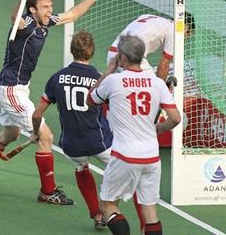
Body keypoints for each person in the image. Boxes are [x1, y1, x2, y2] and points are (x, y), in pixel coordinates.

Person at [0, 0, 107, 206]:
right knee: (46, 136)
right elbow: (15, 19)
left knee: (11, 134)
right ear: (32, 9)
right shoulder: (27, 22)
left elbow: (72, 15)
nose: (50, 11)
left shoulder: (44, 23)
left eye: (50, 6)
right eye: (45, 7)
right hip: (11, 90)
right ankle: (48, 191)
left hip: (15, 88)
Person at [32, 30, 144, 230]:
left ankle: (96, 215)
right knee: (136, 173)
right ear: (91, 51)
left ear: (72, 50)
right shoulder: (99, 78)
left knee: (81, 167)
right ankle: (143, 221)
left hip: (71, 145)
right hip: (100, 142)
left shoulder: (56, 78)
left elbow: (36, 115)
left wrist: (35, 132)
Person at [87, 34, 181, 235]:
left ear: (122, 57)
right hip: (151, 157)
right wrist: (159, 128)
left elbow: (90, 100)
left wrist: (107, 71)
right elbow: (175, 118)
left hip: (124, 155)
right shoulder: (156, 83)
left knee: (107, 205)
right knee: (150, 213)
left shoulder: (113, 81)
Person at [107, 12, 195, 81]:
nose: (185, 38)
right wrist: (162, 91)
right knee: (153, 87)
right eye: (187, 34)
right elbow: (163, 65)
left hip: (112, 55)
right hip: (129, 58)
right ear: (186, 27)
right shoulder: (174, 30)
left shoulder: (149, 17)